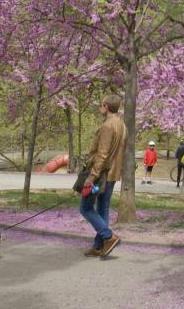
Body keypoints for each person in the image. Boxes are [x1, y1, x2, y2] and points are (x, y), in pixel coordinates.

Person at [79, 95, 126, 258]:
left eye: (101, 105)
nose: (100, 108)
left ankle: (108, 236)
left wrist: (91, 177)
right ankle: (99, 246)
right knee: (103, 208)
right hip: (113, 173)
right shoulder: (121, 124)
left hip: (101, 174)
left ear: (106, 107)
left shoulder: (108, 125)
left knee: (85, 208)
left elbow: (102, 154)